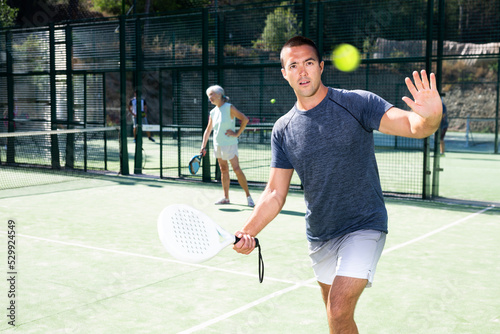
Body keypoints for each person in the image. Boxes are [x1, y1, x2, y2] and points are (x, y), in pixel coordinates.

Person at [233, 36, 442, 333]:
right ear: (284, 73)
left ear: (320, 67)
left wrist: (431, 118)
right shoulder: (283, 129)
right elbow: (275, 193)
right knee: (336, 318)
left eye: (308, 63)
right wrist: (248, 231)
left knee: (339, 307)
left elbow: (412, 125)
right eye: (293, 65)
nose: (302, 71)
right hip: (320, 235)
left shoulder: (357, 103)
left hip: (364, 224)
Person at [200, 85, 255, 207]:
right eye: (208, 96)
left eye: (212, 95)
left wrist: (236, 134)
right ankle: (226, 197)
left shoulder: (229, 108)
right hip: (217, 144)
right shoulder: (213, 112)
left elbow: (244, 119)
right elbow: (208, 131)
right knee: (223, 170)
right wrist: (203, 146)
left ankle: (248, 197)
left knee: (236, 169)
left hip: (230, 144)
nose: (210, 98)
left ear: (219, 95)